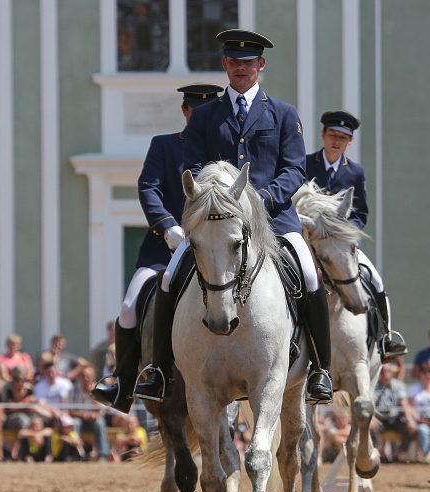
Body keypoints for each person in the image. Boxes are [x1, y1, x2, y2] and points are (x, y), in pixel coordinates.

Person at [141, 29, 334, 404]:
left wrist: (259, 201)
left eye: (248, 63)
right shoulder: (206, 116)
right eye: (233, 62)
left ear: (260, 65)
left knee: (309, 274)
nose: (240, 68)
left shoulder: (283, 114)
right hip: (217, 223)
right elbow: (194, 166)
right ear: (225, 65)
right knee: (169, 278)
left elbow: (294, 170)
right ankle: (160, 370)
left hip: (275, 219)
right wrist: (217, 202)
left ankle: (321, 370)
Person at [92, 83, 224, 412]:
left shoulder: (223, 158)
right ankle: (123, 382)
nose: (201, 120)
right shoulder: (164, 146)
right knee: (128, 306)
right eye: (196, 113)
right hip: (165, 249)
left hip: (214, 250)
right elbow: (148, 187)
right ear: (185, 112)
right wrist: (168, 226)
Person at [306, 110, 407, 363]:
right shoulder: (305, 164)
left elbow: (361, 212)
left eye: (343, 137)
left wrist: (344, 232)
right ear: (323, 135)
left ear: (349, 141)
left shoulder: (355, 172)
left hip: (342, 246)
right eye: (333, 135)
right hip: (310, 243)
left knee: (376, 280)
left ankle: (385, 337)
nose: (337, 141)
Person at [372, 362, 412, 462]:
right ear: (380, 373)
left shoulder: (399, 385)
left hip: (395, 418)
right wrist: (371, 419)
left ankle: (398, 454)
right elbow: (370, 405)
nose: (386, 373)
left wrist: (410, 420)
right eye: (384, 371)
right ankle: (381, 453)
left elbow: (404, 403)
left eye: (388, 370)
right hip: (379, 418)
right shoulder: (373, 385)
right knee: (371, 427)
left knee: (411, 427)